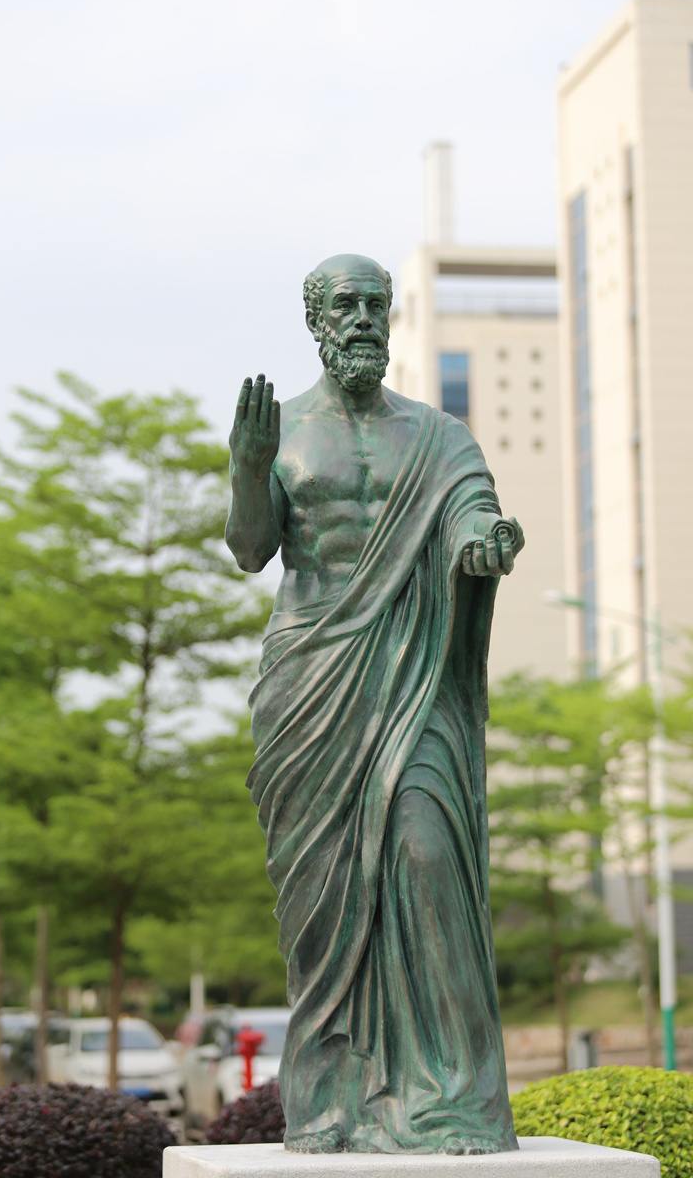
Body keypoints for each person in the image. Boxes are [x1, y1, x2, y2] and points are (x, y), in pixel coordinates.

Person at [225, 254, 522, 1156]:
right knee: (322, 906)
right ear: (316, 319)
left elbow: (471, 513)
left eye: (375, 304)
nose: (362, 318)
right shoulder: (284, 430)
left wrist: (484, 541)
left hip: (415, 676)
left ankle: (454, 1098)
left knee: (427, 858)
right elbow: (250, 549)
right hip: (311, 683)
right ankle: (331, 1103)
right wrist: (248, 470)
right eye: (346, 304)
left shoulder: (438, 437)